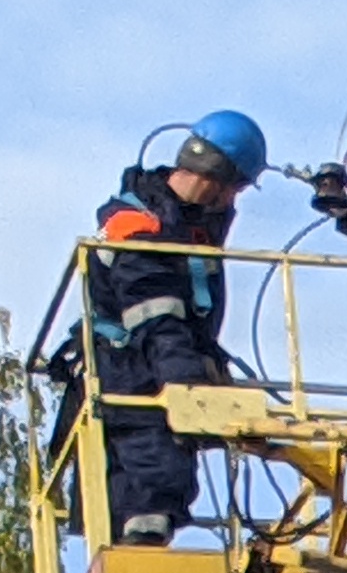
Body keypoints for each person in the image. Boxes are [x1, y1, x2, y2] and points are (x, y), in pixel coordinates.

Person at [84, 111, 266, 542]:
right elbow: (156, 315)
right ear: (219, 177)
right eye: (237, 187)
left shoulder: (187, 228)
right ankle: (140, 563)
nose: (235, 200)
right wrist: (189, 386)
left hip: (153, 371)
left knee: (160, 477)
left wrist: (209, 373)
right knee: (154, 480)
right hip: (132, 378)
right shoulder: (139, 225)